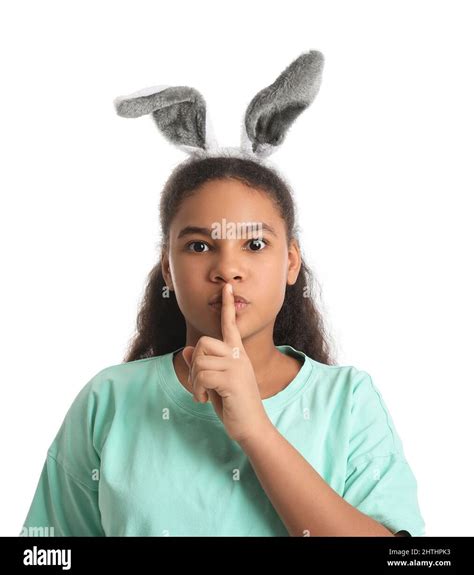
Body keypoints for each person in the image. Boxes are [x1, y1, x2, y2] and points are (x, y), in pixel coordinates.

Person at [20, 51, 425, 537]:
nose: (227, 269)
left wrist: (255, 428)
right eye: (199, 245)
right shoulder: (108, 401)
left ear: (290, 262)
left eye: (254, 244)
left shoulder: (350, 402)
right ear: (168, 268)